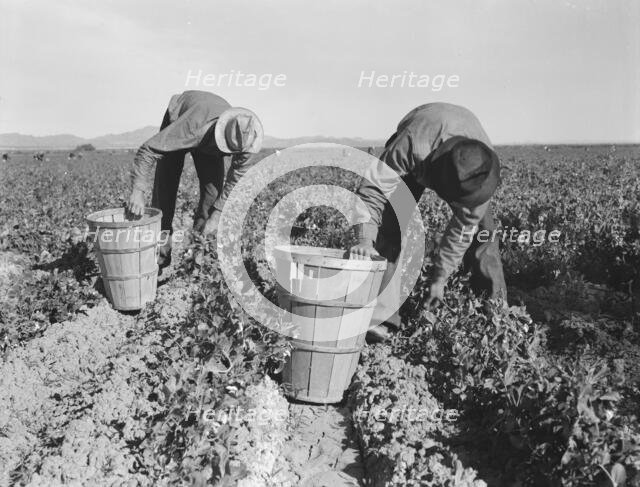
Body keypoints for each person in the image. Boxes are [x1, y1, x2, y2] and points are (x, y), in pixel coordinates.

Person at [350, 103, 506, 342]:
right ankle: (380, 317)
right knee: (390, 222)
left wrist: (440, 278)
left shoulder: (479, 174)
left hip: (461, 145)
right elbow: (373, 191)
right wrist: (364, 238)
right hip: (422, 137)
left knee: (483, 235)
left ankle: (497, 316)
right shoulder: (411, 146)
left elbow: (463, 229)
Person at [126, 90, 263, 270]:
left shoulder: (247, 139)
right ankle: (160, 255)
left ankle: (198, 254)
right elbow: (149, 150)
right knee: (165, 189)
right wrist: (138, 191)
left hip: (211, 138)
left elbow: (236, 180)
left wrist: (216, 215)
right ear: (221, 135)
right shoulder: (192, 128)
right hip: (183, 118)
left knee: (213, 196)